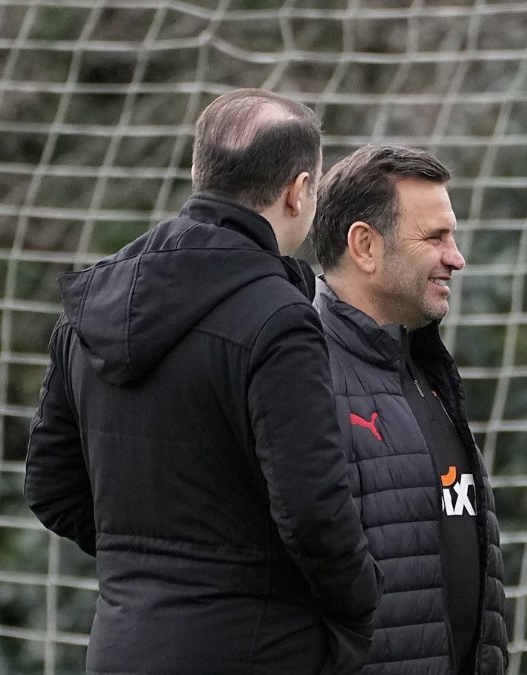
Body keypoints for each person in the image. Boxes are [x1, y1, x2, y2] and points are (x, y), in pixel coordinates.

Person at [25, 88, 380, 674]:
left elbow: (50, 489)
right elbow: (314, 510)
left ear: (200, 172)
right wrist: (362, 607)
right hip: (257, 647)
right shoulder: (280, 319)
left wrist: (147, 564)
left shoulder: (91, 305)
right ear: (298, 191)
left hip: (122, 647)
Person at [310, 144, 508, 675]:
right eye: (435, 238)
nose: (456, 258)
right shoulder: (302, 378)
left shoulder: (428, 371)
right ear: (365, 246)